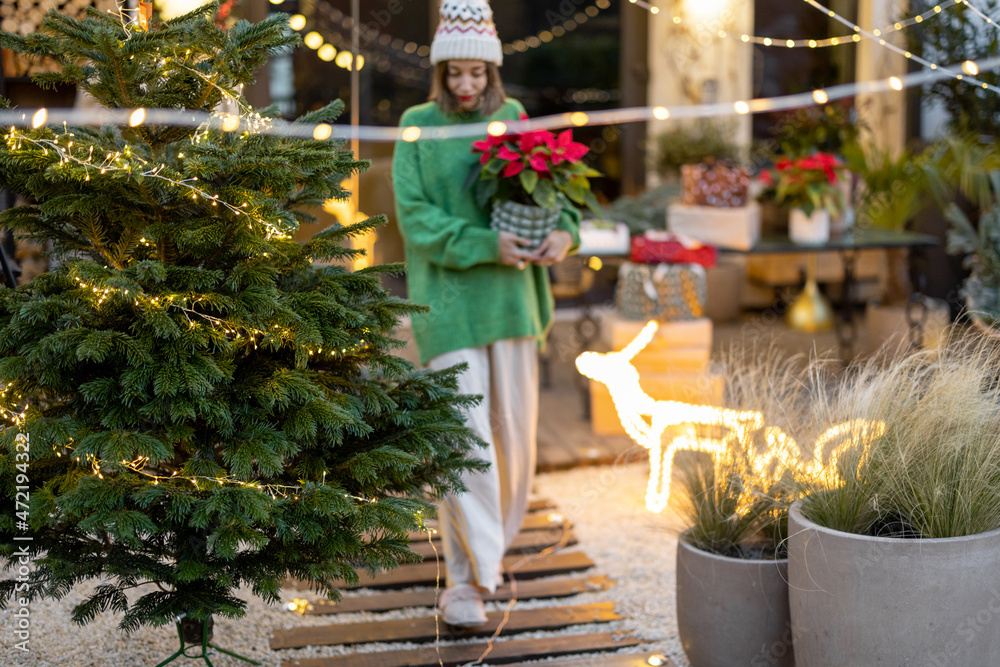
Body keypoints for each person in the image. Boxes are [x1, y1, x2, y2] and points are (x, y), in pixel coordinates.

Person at [391, 0, 582, 629]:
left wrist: (567, 235)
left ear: (492, 72)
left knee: (514, 442)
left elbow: (553, 191)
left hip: (512, 303)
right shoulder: (417, 126)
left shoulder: (514, 118)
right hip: (448, 307)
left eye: (478, 74)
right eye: (455, 75)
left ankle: (492, 557)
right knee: (462, 442)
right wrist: (483, 245)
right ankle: (469, 580)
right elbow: (416, 221)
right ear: (440, 74)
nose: (467, 86)